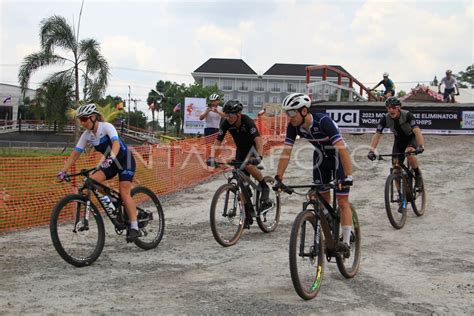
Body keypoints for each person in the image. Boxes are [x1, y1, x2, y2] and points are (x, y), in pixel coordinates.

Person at [273, 93, 353, 257]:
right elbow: (286, 152)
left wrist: (348, 177)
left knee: (342, 201)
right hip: (320, 158)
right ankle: (328, 220)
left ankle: (346, 240)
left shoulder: (323, 121)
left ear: (303, 111)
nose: (289, 117)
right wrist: (279, 177)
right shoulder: (293, 126)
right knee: (317, 196)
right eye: (287, 113)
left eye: (292, 113)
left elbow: (342, 149)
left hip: (338, 156)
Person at [56, 103, 139, 243]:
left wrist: (110, 158)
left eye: (84, 119)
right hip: (110, 163)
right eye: (80, 120)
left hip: (125, 161)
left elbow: (116, 144)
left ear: (93, 117)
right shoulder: (87, 135)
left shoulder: (106, 127)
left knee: (124, 192)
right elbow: (74, 155)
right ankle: (113, 198)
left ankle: (134, 227)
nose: (82, 123)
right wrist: (62, 172)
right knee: (91, 181)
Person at [207, 99, 271, 228]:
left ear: (238, 114)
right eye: (226, 114)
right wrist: (212, 157)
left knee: (247, 164)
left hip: (253, 148)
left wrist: (259, 155)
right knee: (241, 181)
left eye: (231, 114)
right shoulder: (225, 123)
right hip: (241, 150)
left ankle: (264, 186)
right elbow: (218, 141)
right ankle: (247, 212)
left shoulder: (247, 121)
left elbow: (258, 139)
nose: (228, 117)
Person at [367, 97, 425, 189]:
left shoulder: (407, 115)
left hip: (411, 138)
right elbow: (377, 134)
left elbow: (417, 131)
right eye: (388, 108)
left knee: (409, 153)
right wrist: (371, 151)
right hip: (399, 141)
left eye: (393, 107)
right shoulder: (385, 118)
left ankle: (418, 175)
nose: (391, 110)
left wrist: (421, 145)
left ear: (399, 108)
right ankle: (400, 195)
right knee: (395, 170)